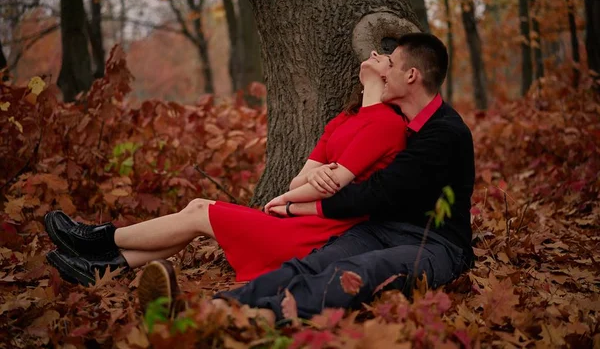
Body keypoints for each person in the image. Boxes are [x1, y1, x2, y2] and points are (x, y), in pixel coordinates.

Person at [136, 32, 475, 324]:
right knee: (313, 263)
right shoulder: (402, 122)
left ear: (412, 75)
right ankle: (216, 308)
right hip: (381, 229)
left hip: (436, 244)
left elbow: (377, 192)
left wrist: (298, 208)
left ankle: (256, 318)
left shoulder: (445, 133)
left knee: (358, 271)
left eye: (391, 66)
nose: (383, 73)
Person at [44, 50, 408, 289]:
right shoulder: (345, 119)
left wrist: (287, 198)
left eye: (386, 58)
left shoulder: (387, 124)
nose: (375, 54)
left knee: (201, 210)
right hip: (295, 220)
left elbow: (327, 186)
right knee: (194, 213)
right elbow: (303, 178)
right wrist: (310, 181)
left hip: (317, 235)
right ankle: (99, 268)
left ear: (391, 78)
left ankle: (97, 239)